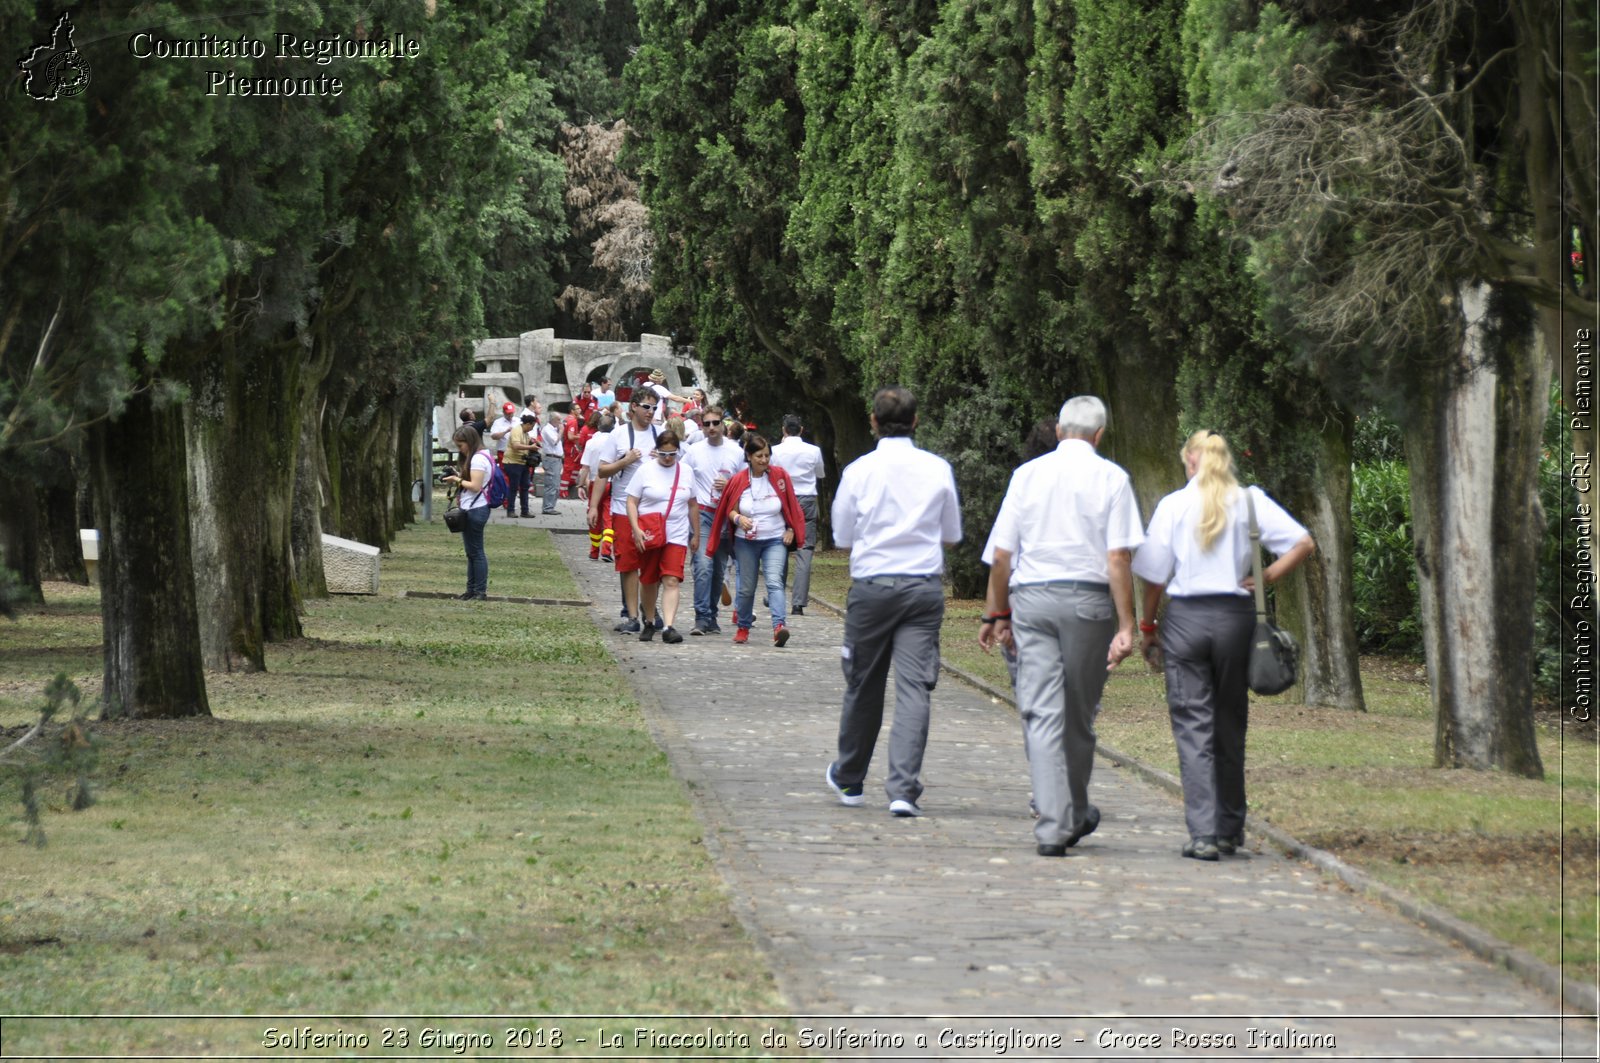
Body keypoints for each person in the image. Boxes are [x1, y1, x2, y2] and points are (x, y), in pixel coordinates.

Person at [1133, 430, 1315, 861]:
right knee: (1230, 722)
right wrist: (1267, 577)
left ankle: (1203, 833)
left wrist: (1147, 625)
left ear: (1191, 461)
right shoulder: (1249, 500)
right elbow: (1303, 542)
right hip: (1235, 620)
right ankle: (1231, 827)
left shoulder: (1173, 505)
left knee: (1193, 725)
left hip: (1186, 623)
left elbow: (1154, 575)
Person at [979, 397, 1144, 857]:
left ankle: (1057, 821)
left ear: (1059, 433)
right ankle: (1067, 813)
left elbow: (1002, 555)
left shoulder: (1027, 476)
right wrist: (1127, 624)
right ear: (1100, 434)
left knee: (1043, 711)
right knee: (1078, 714)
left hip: (1033, 600)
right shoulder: (1113, 478)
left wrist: (998, 614)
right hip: (1089, 603)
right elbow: (1119, 557)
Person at [824, 387, 961, 818]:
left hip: (873, 586)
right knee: (914, 686)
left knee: (864, 682)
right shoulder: (937, 468)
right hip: (921, 587)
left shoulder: (860, 470)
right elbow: (952, 532)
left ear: (873, 421)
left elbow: (842, 535)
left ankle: (850, 776)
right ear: (916, 421)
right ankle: (903, 788)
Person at [708, 433, 805, 647]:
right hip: (746, 541)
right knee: (747, 587)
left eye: (767, 456)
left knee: (774, 581)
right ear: (749, 456)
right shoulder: (739, 480)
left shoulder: (780, 477)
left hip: (774, 539)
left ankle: (779, 627)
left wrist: (791, 529)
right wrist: (739, 518)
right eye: (759, 456)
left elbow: (791, 506)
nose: (764, 460)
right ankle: (743, 626)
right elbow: (729, 511)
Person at [626, 429, 700, 644]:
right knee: (648, 578)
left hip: (676, 533)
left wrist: (695, 534)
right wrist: (635, 528)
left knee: (671, 578)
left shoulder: (686, 471)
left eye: (672, 454)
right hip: (650, 533)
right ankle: (649, 620)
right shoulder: (645, 470)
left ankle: (668, 625)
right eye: (663, 454)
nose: (668, 459)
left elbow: (693, 504)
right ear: (656, 451)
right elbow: (631, 501)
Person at [598, 392, 662, 632]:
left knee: (652, 564)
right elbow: (602, 471)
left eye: (654, 408)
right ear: (633, 407)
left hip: (653, 509)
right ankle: (633, 617)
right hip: (623, 507)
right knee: (628, 564)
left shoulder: (660, 434)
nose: (650, 412)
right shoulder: (619, 434)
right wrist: (625, 461)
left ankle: (651, 614)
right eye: (646, 407)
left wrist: (663, 459)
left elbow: (676, 465)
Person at [684, 405, 745, 635]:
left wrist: (729, 486)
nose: (711, 428)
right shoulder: (693, 451)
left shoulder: (735, 451)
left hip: (726, 515)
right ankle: (701, 617)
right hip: (702, 513)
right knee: (703, 566)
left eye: (715, 423)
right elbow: (684, 479)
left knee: (719, 569)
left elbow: (745, 483)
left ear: (723, 424)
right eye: (706, 423)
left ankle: (711, 615)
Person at [770, 414, 826, 616]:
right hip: (807, 498)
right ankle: (798, 603)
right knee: (805, 549)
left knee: (779, 547)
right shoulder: (813, 451)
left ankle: (775, 592)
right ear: (801, 430)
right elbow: (820, 474)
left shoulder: (776, 451)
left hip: (784, 498)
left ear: (784, 430)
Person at [440, 425, 494, 600]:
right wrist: (458, 475)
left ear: (469, 442)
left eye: (460, 445)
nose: (460, 450)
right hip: (473, 507)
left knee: (476, 552)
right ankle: (471, 590)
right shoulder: (482, 456)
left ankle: (479, 591)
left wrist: (457, 479)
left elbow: (475, 486)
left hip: (476, 509)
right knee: (471, 552)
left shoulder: (478, 459)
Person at [579, 411, 615, 560]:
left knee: (594, 516)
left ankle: (594, 550)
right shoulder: (614, 442)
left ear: (598, 427)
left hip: (594, 482)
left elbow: (585, 468)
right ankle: (606, 550)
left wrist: (581, 485)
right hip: (612, 483)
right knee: (609, 517)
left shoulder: (591, 442)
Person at [502, 413, 537, 518]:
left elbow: (526, 444)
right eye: (532, 426)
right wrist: (530, 448)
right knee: (514, 487)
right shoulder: (517, 430)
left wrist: (533, 443)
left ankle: (525, 511)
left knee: (525, 487)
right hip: (512, 462)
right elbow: (516, 445)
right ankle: (510, 510)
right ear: (527, 424)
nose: (532, 429)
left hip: (522, 463)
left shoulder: (525, 433)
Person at [538, 410, 564, 515]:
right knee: (552, 484)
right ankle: (547, 507)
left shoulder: (554, 429)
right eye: (558, 420)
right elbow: (555, 441)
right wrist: (561, 431)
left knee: (555, 484)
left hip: (556, 459)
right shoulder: (547, 429)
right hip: (551, 459)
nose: (560, 422)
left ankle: (551, 506)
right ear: (553, 420)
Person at [489, 402, 517, 471]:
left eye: (512, 413)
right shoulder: (498, 422)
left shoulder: (518, 420)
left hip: (516, 452)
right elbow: (493, 436)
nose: (510, 415)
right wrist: (505, 432)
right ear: (503, 412)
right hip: (504, 453)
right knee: (505, 472)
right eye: (508, 413)